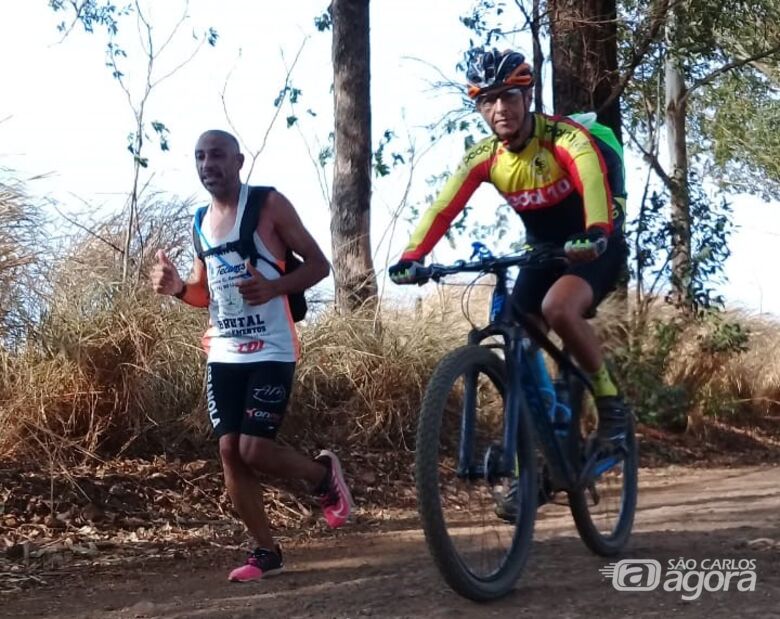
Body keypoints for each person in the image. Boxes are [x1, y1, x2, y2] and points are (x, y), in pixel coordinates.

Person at [389, 49, 630, 453]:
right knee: (516, 343)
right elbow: (442, 208)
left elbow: (591, 179)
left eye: (509, 97)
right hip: (542, 252)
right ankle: (534, 453)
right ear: (479, 107)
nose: (499, 108)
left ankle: (611, 404)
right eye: (487, 100)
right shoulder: (485, 157)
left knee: (558, 308)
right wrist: (413, 257)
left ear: (527, 98)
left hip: (595, 243)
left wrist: (596, 231)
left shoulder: (565, 138)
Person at [150, 129, 352, 583]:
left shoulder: (268, 205)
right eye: (200, 157)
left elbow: (320, 265)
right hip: (224, 348)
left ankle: (322, 477)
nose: (208, 165)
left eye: (217, 155)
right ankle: (265, 551)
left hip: (274, 346)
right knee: (229, 450)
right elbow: (206, 294)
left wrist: (274, 286)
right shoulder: (200, 221)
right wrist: (179, 288)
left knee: (254, 447)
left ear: (239, 161)